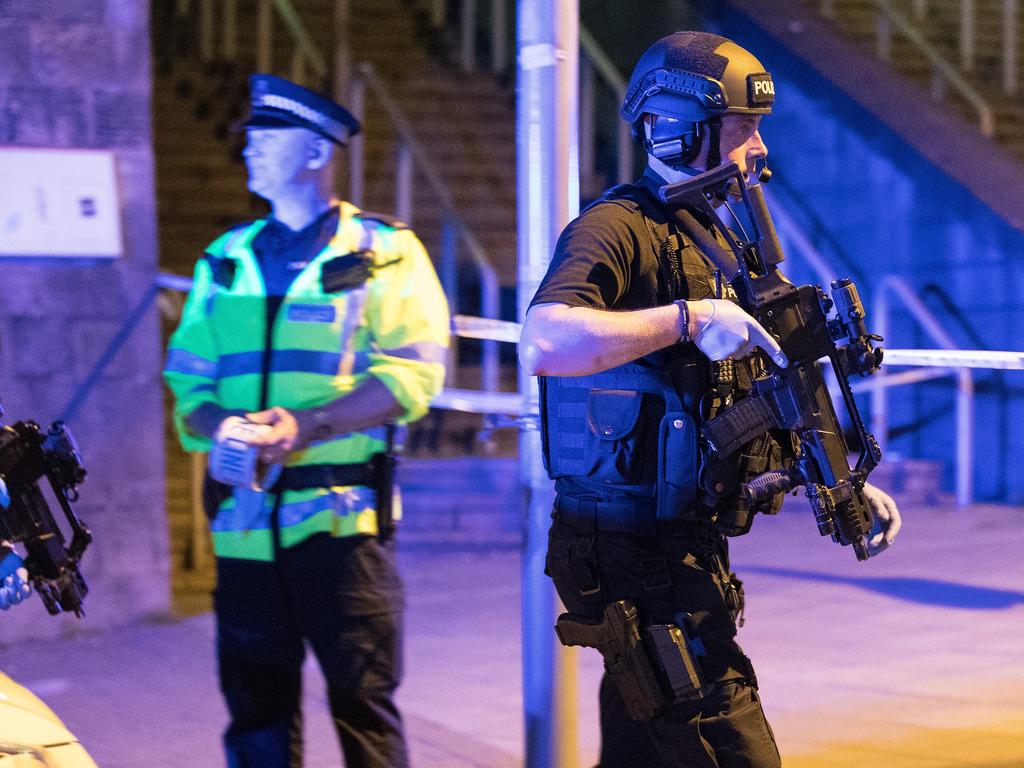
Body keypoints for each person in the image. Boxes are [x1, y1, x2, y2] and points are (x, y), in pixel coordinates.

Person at [519, 32, 902, 768]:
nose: (759, 148)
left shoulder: (717, 233)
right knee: (729, 745)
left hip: (685, 544)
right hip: (629, 547)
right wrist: (689, 320)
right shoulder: (619, 226)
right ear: (678, 125)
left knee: (643, 745)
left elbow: (761, 388)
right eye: (743, 127)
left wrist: (840, 479)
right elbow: (543, 340)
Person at [163, 74, 450, 768]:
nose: (250, 151)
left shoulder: (385, 252)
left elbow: (412, 376)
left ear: (318, 152)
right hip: (242, 532)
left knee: (364, 712)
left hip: (342, 529)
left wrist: (303, 425)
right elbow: (187, 386)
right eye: (250, 138)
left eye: (267, 138)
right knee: (256, 721)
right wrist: (222, 426)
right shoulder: (224, 260)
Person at [0, 541, 31, 610]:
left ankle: (18, 583)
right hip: (11, 560)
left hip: (9, 560)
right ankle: (19, 582)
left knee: (6, 602)